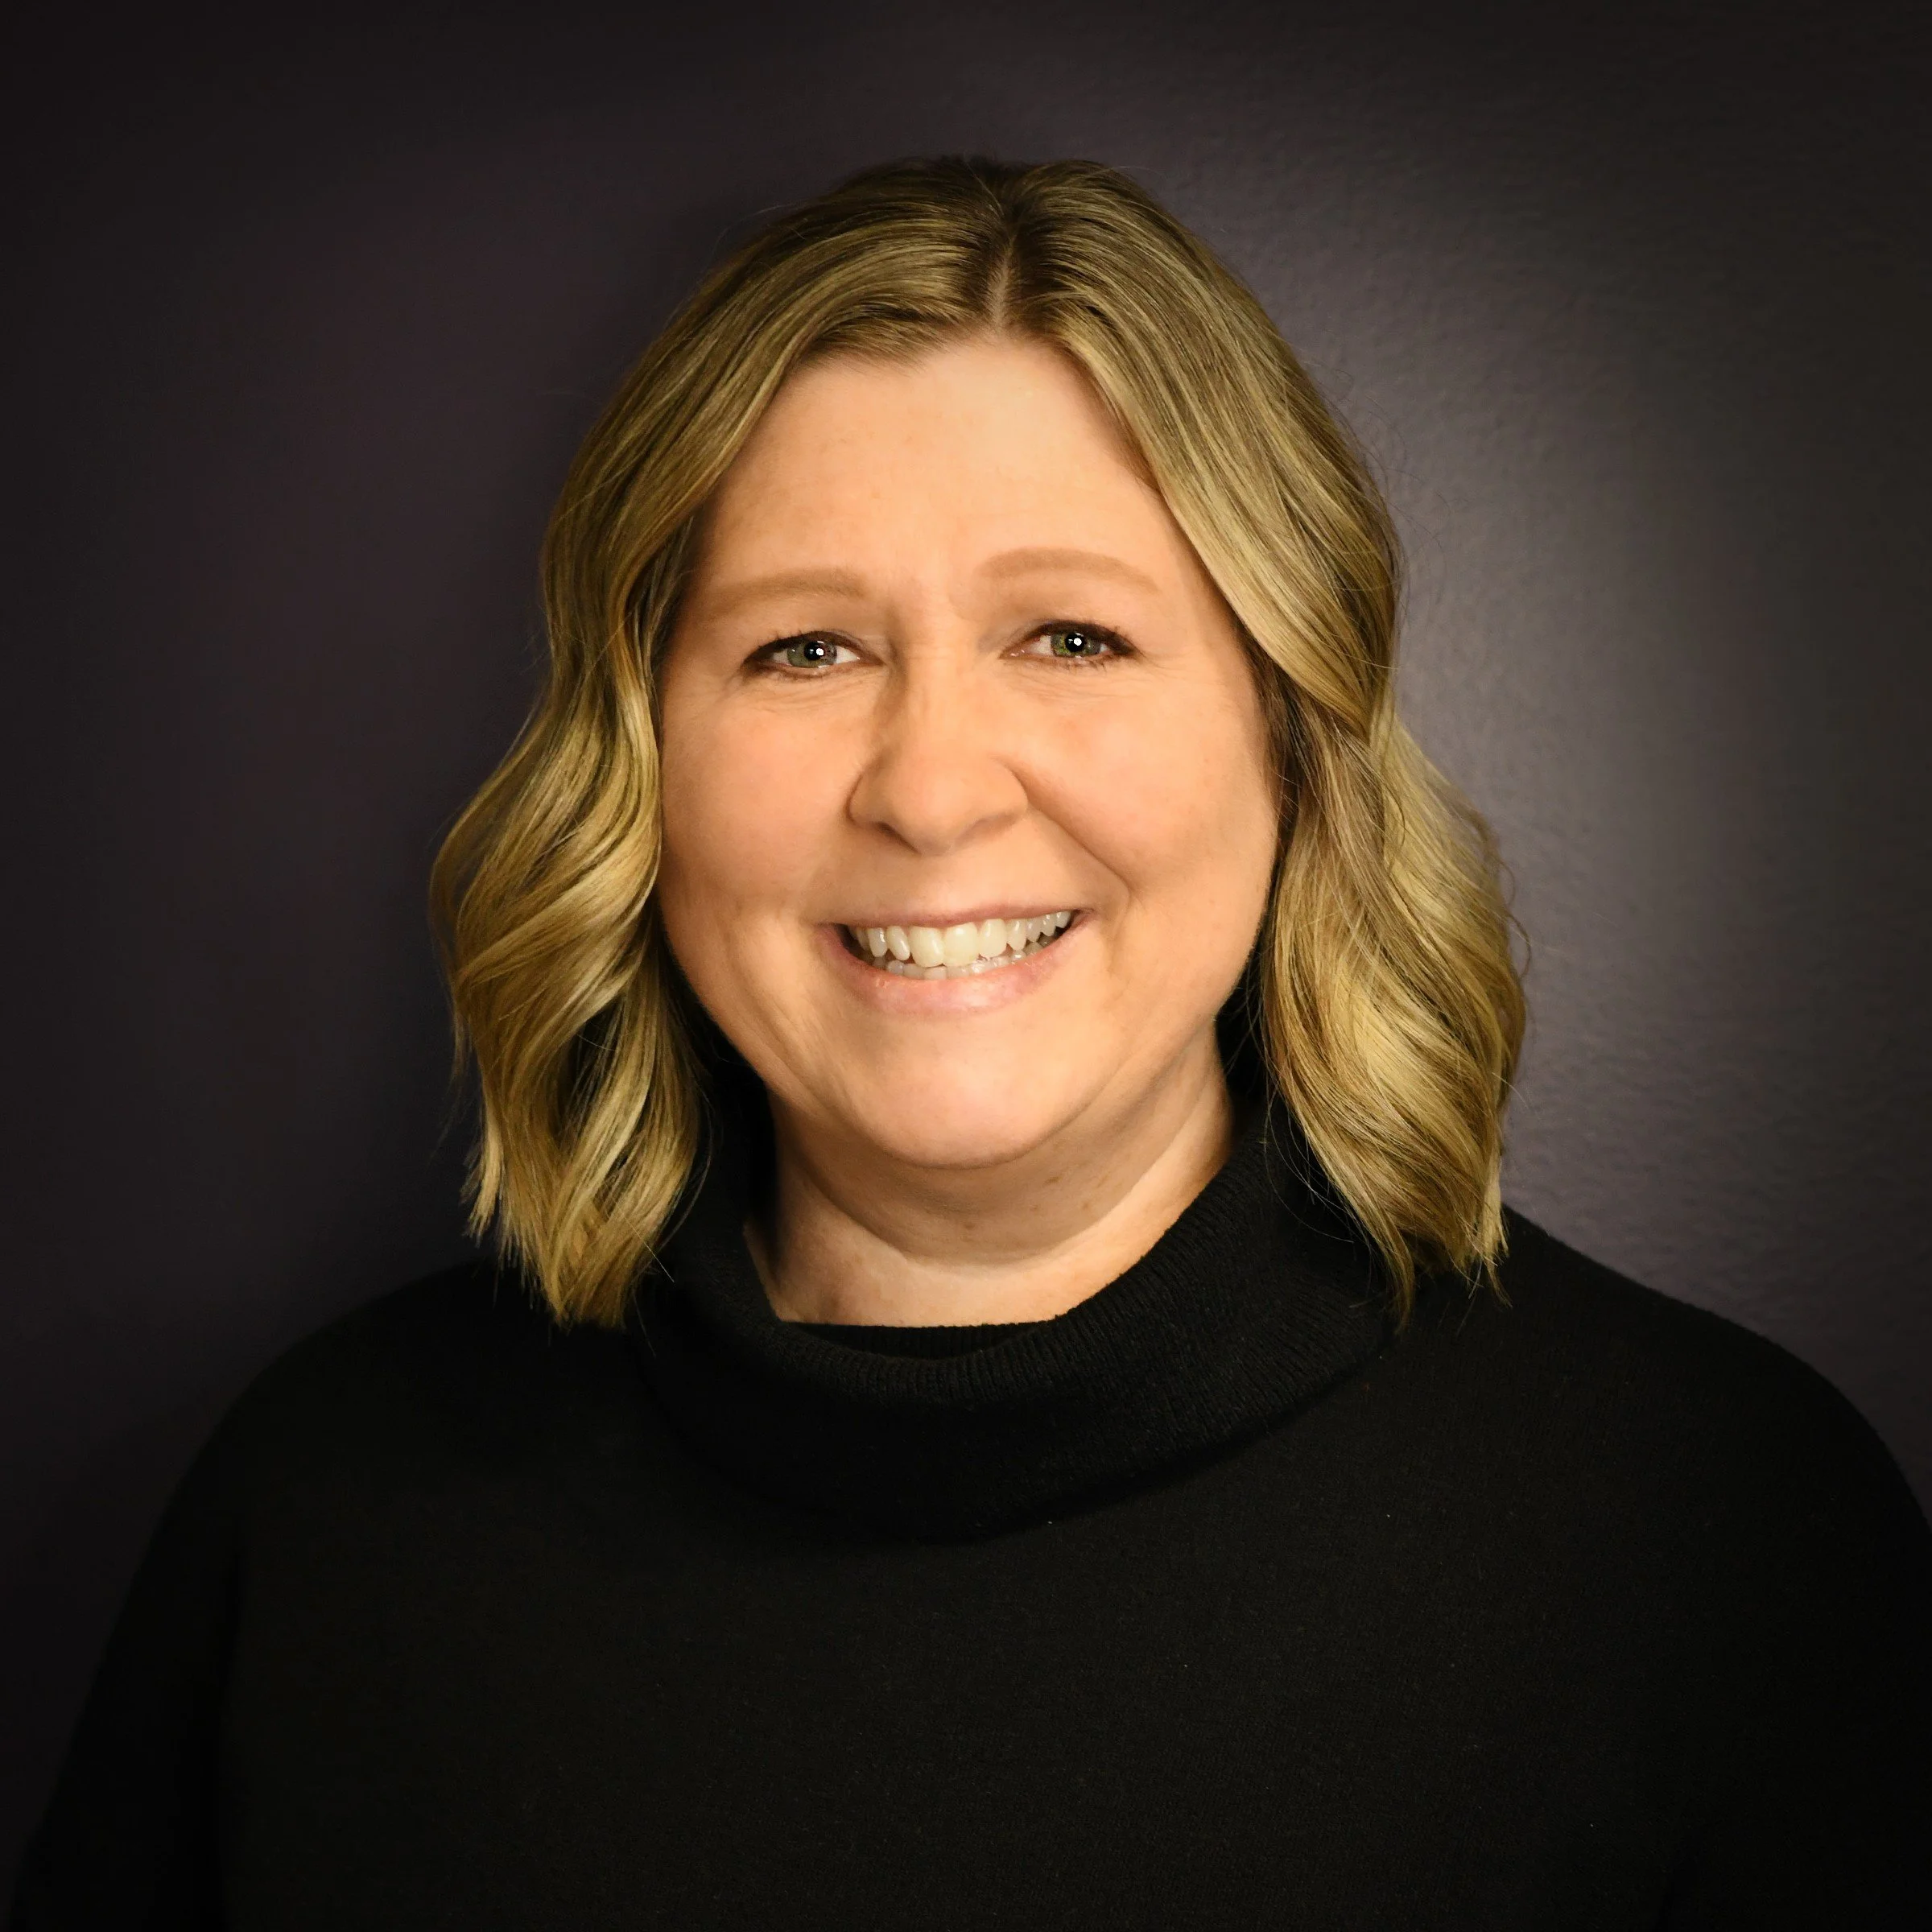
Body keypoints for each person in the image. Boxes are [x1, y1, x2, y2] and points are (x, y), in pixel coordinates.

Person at [13, 158, 1930, 1931]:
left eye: (1073, 638)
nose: (930, 791)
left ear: (1290, 734)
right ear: (641, 767)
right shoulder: (327, 1529)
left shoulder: (1720, 1538)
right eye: (805, 650)